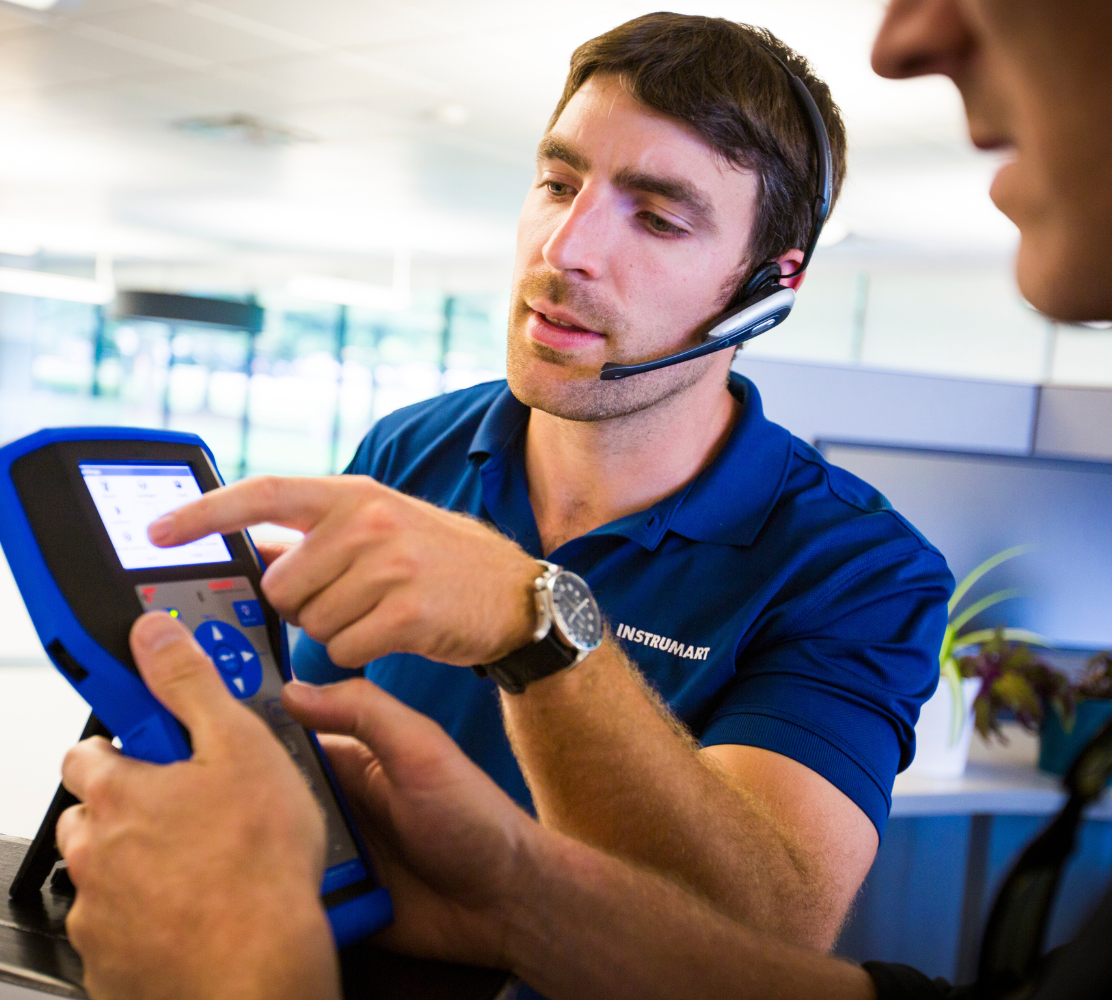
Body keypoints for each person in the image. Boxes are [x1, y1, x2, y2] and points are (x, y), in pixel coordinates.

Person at [57, 0, 1112, 998]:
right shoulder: (408, 448)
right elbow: (317, 772)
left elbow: (763, 933)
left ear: (766, 287)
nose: (563, 255)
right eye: (558, 185)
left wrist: (531, 615)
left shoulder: (857, 565)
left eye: (656, 219)